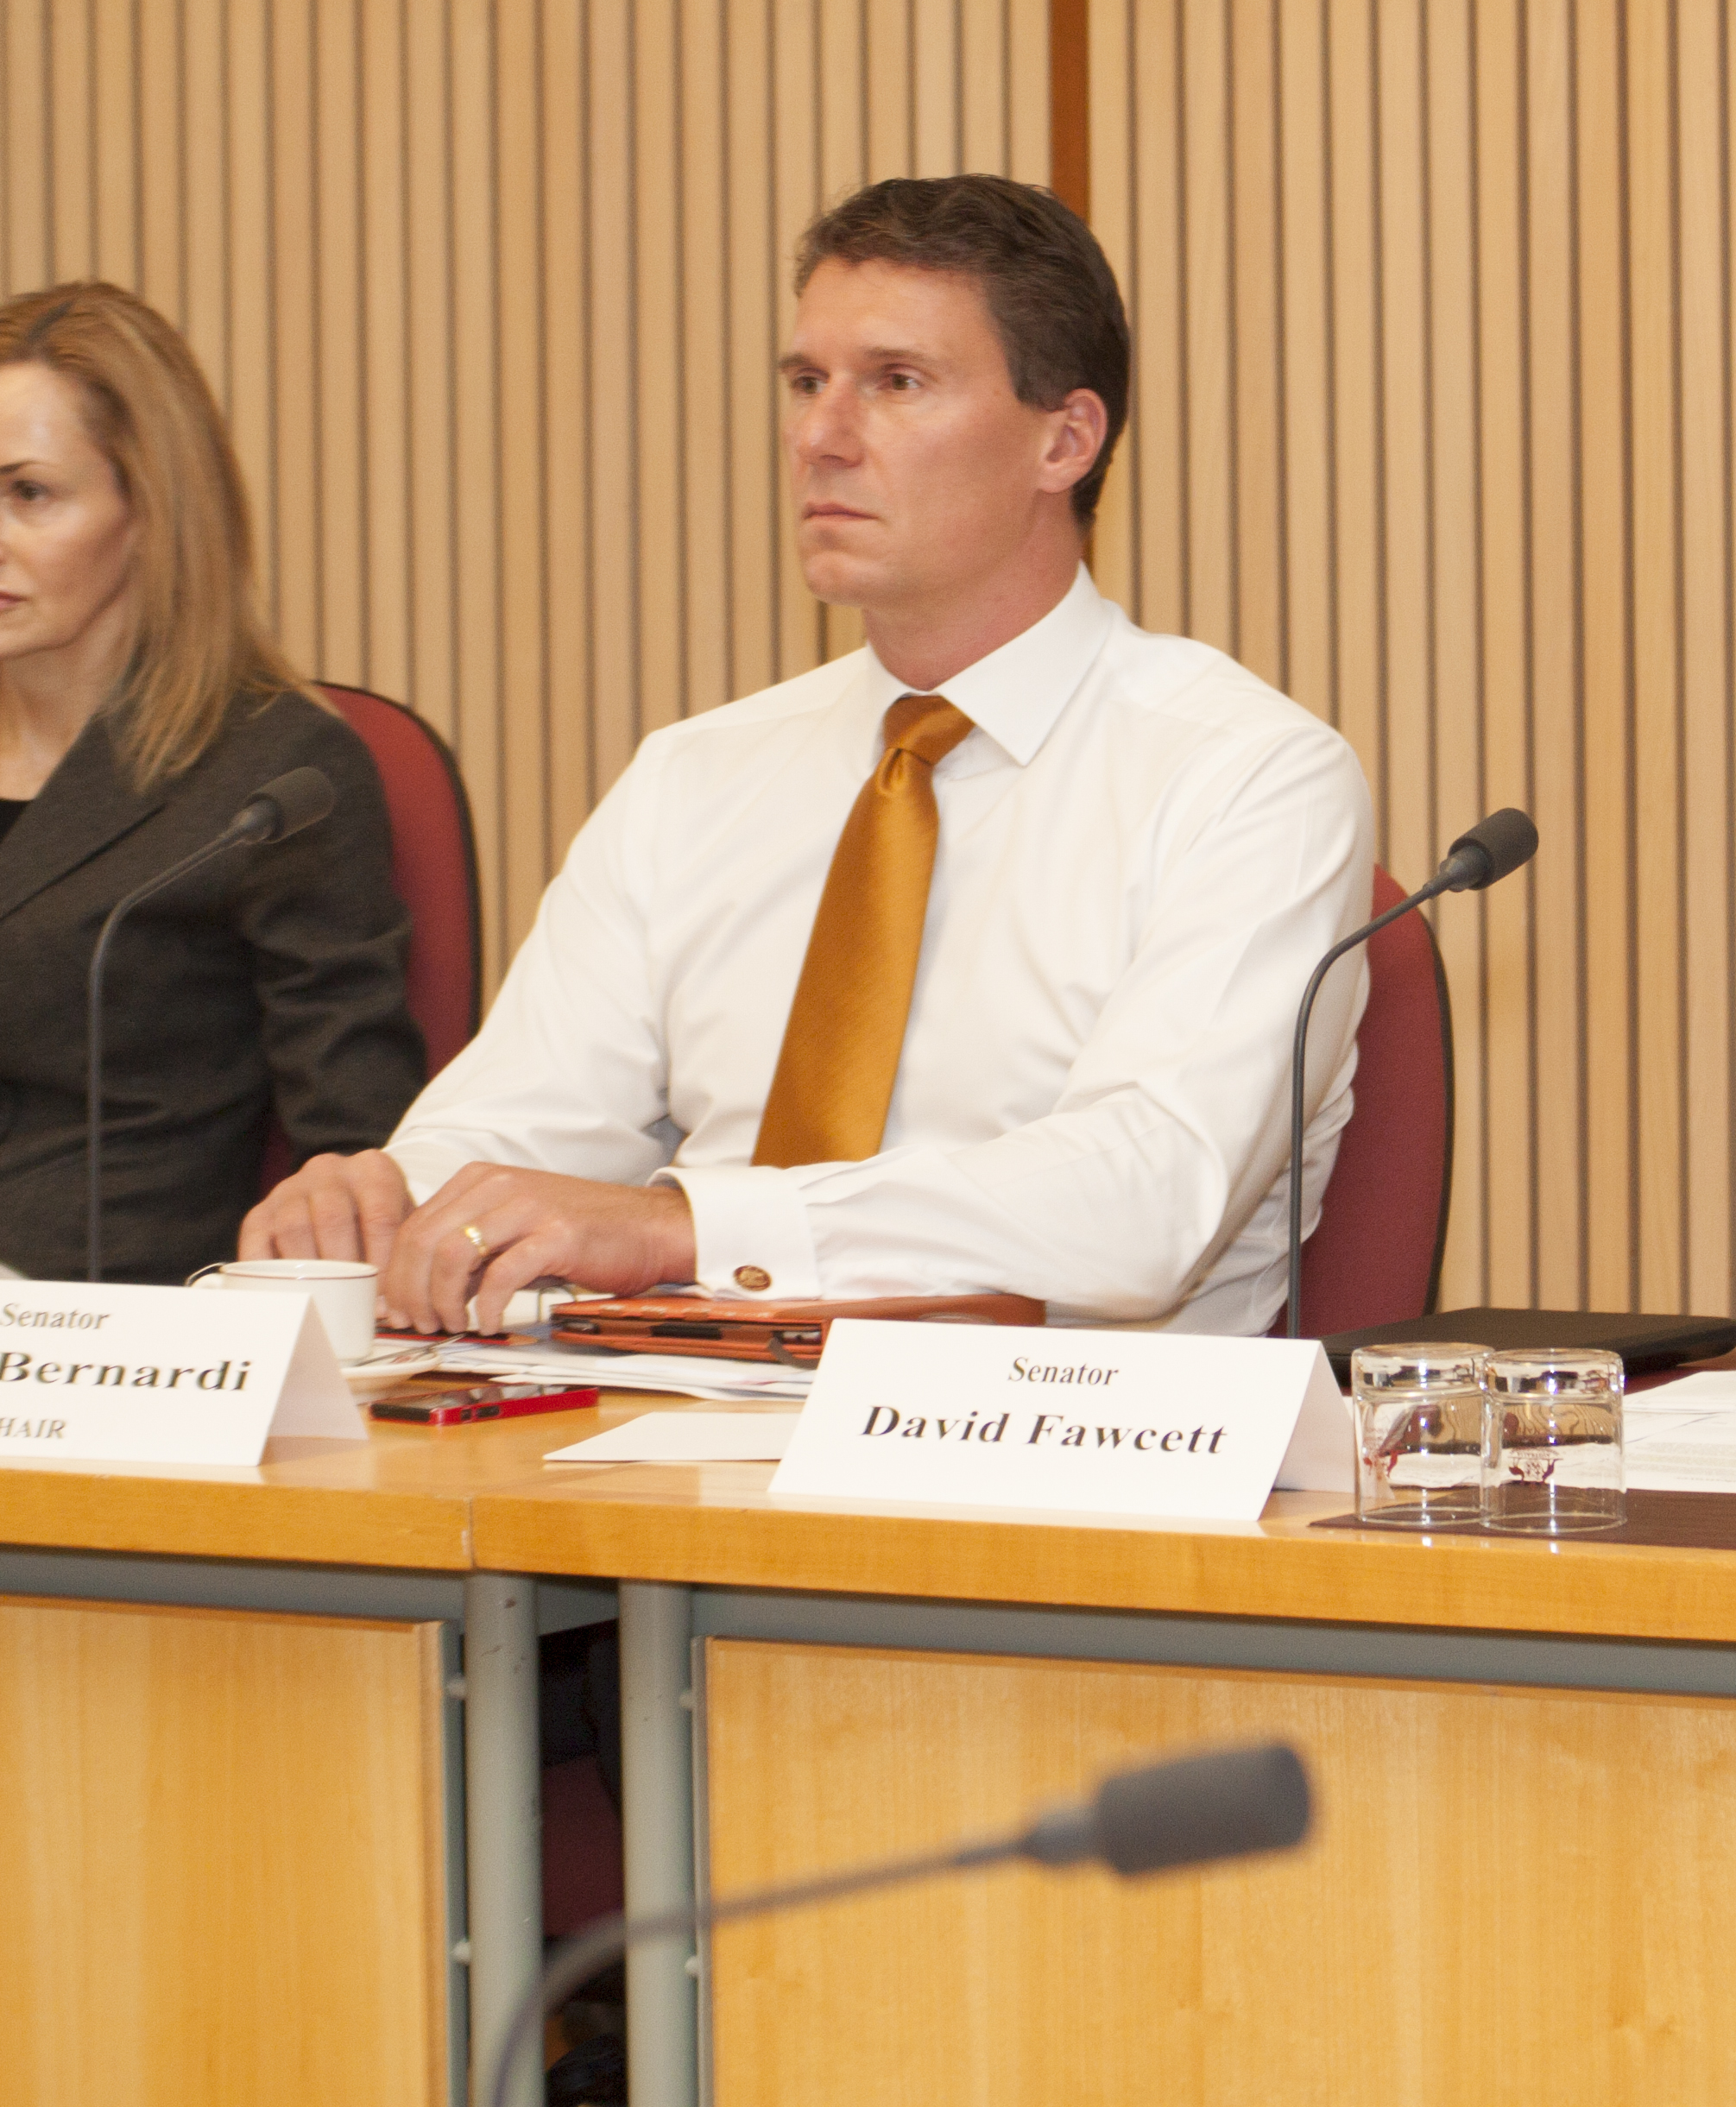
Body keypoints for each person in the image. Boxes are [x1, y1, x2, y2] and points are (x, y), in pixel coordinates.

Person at [239, 174, 1373, 1335]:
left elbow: (1145, 1201)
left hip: (1054, 1431)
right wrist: (389, 1199)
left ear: (1064, 440)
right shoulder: (695, 775)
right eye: (805, 383)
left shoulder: (1246, 777)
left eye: (896, 383)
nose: (820, 439)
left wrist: (690, 1228)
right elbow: (521, 1123)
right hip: (654, 1414)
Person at [0, 286, 424, 1284]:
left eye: (29, 494)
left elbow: (354, 1147)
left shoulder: (273, 779)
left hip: (105, 1317)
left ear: (152, 510)